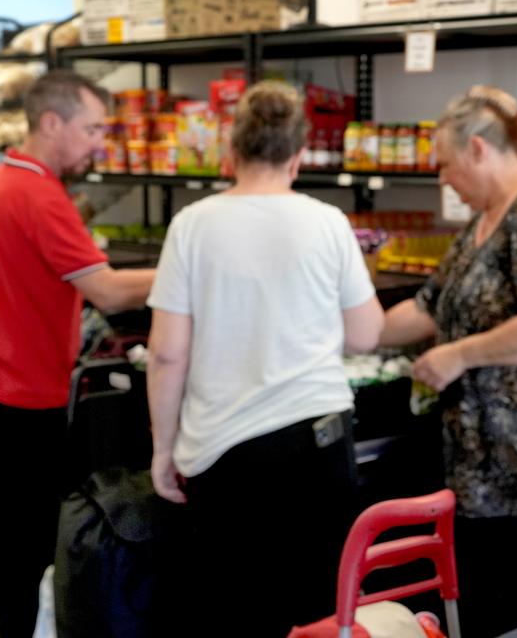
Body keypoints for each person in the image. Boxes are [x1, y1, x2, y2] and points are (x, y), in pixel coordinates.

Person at [146, 81, 384, 636]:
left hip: (225, 452)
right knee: (320, 608)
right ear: (299, 156)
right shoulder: (328, 222)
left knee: (235, 607)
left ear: (232, 152)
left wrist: (162, 449)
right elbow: (367, 333)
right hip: (318, 443)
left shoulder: (192, 225)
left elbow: (166, 353)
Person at [378, 86, 517, 637]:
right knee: (488, 614)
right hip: (482, 475)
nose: (442, 179)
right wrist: (354, 329)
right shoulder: (483, 220)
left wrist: (458, 355)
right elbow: (431, 305)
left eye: (445, 164)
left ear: (478, 149)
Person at [0, 71, 156, 637]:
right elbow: (107, 290)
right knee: (28, 530)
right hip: (15, 388)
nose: (98, 142)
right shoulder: (37, 192)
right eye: (90, 129)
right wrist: (189, 269)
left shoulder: (2, 178)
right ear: (51, 122)